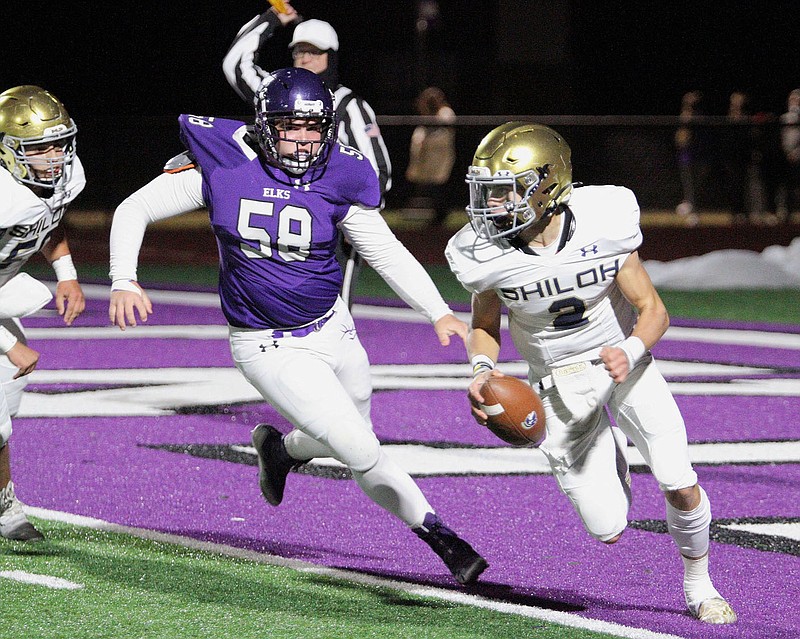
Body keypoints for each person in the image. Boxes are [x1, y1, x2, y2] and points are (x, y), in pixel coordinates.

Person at [107, 68, 488, 586]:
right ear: (265, 124)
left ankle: (280, 451)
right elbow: (136, 208)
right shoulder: (224, 161)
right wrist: (124, 278)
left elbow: (382, 248)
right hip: (268, 344)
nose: (305, 140)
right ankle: (445, 541)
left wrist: (436, 310)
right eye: (291, 126)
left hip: (334, 328)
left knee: (350, 436)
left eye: (315, 127)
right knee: (360, 447)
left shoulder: (339, 171)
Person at [445, 122, 737, 623]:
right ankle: (607, 449)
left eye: (504, 190)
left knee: (679, 482)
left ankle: (700, 585)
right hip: (557, 385)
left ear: (547, 186)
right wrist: (482, 367)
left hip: (626, 363)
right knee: (608, 528)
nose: (491, 204)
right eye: (486, 192)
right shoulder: (483, 253)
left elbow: (654, 311)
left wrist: (630, 348)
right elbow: (485, 324)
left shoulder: (605, 218)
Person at [222, 1, 392, 307]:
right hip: (285, 217)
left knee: (334, 311)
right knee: (279, 307)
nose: (305, 59)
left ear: (331, 57)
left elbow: (378, 170)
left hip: (332, 225)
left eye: (314, 52)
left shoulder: (348, 105)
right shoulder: (278, 95)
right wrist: (272, 18)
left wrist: (362, 215)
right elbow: (235, 64)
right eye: (299, 51)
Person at [0, 85, 87, 541]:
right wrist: (9, 344)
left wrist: (66, 272)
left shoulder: (64, 176)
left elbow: (48, 219)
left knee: (5, 412)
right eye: (38, 148)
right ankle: (8, 511)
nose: (54, 156)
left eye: (59, 143)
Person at [405, 87, 457, 227]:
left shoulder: (445, 113)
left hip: (441, 155)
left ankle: (442, 214)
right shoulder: (425, 118)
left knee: (438, 186)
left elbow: (444, 126)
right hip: (428, 157)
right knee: (430, 186)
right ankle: (437, 214)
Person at [779, 88, 800, 219]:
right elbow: (781, 139)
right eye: (791, 99)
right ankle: (786, 212)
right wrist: (787, 153)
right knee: (786, 187)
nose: (793, 102)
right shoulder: (784, 118)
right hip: (786, 157)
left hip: (798, 155)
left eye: (797, 99)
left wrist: (796, 153)